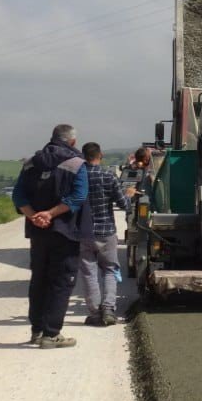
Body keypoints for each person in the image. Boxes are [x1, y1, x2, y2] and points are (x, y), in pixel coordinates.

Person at [12, 124, 91, 348]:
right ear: (73, 142)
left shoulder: (30, 164)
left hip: (38, 232)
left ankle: (36, 330)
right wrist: (50, 213)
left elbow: (18, 195)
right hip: (66, 233)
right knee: (61, 281)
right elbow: (78, 196)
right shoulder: (76, 164)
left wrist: (34, 216)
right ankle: (51, 334)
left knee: (39, 279)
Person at [78, 142, 133, 326]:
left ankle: (94, 312)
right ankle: (109, 309)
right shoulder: (108, 175)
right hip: (106, 231)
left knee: (88, 272)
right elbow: (124, 205)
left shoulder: (77, 176)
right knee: (110, 269)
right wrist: (129, 195)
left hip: (84, 232)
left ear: (83, 156)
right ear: (100, 155)